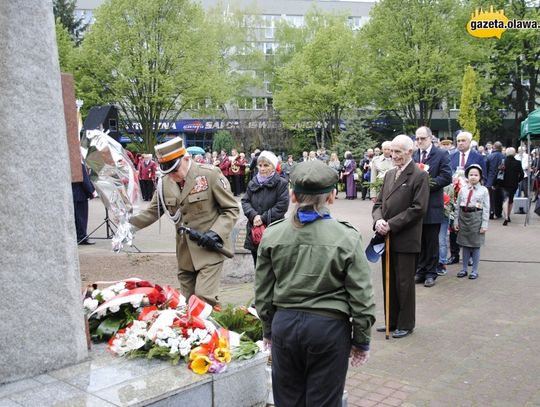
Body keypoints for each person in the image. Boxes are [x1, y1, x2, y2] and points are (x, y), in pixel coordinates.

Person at [255, 160, 375, 406]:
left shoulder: (273, 233)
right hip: (328, 329)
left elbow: (263, 291)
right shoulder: (347, 237)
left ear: (292, 195)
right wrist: (361, 340)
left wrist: (268, 329)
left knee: (287, 400)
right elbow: (361, 296)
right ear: (332, 197)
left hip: (285, 326)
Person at [129, 137, 239, 306]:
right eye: (169, 172)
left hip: (209, 249)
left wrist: (215, 234)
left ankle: (217, 332)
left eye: (175, 170)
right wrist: (129, 226)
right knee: (186, 302)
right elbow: (153, 211)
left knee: (203, 300)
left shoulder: (209, 175)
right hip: (185, 254)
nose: (173, 176)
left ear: (186, 158)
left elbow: (231, 209)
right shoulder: (164, 182)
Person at [372, 134, 429, 338]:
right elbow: (378, 204)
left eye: (398, 151)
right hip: (386, 237)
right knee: (389, 281)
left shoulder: (419, 176)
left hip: (405, 238)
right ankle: (391, 320)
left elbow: (418, 208)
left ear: (409, 152)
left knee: (404, 283)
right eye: (392, 151)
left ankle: (406, 323)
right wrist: (378, 220)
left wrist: (391, 225)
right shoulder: (389, 175)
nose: (393, 155)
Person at [413, 126, 452, 288]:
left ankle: (431, 273)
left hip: (433, 204)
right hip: (415, 205)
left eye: (423, 138)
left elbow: (446, 176)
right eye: (417, 138)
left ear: (431, 138)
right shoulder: (414, 155)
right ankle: (420, 270)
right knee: (419, 240)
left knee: (431, 241)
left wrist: (427, 185)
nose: (420, 141)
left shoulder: (441, 154)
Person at [241, 151, 289, 266]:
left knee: (273, 265)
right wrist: (253, 215)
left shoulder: (281, 183)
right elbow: (245, 201)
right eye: (260, 165)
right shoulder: (253, 182)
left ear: (273, 167)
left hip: (273, 230)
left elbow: (281, 206)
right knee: (257, 264)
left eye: (266, 165)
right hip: (255, 231)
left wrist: (262, 218)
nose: (262, 169)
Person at [448, 131, 486, 265]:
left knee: (469, 228)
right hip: (454, 196)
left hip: (471, 197)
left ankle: (469, 255)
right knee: (454, 225)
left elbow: (483, 176)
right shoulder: (451, 156)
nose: (460, 143)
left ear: (470, 142)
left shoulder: (478, 157)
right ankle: (454, 254)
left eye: (463, 140)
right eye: (458, 140)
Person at [454, 164, 490, 279]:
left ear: (480, 177)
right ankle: (464, 269)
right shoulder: (463, 190)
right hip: (464, 218)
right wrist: (456, 221)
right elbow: (457, 206)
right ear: (467, 176)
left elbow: (486, 208)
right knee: (465, 245)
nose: (473, 177)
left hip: (476, 218)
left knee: (475, 245)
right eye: (471, 175)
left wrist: (484, 224)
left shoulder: (484, 190)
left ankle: (474, 270)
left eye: (476, 175)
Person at [72, 162, 96, 245]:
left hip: (72, 194)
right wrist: (90, 192)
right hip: (80, 195)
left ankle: (77, 236)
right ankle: (82, 237)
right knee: (81, 218)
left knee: (75, 217)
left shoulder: (68, 163)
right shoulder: (79, 165)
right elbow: (85, 181)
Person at [500, 147, 525, 226]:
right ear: (514, 153)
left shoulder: (503, 162)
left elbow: (499, 173)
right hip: (513, 184)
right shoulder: (518, 163)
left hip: (504, 183)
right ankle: (509, 215)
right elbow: (522, 174)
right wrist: (518, 180)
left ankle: (506, 216)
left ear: (506, 153)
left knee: (505, 200)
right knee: (510, 200)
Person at [485, 141, 505, 219]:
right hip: (500, 181)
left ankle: (491, 212)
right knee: (499, 198)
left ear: (494, 147)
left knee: (490, 198)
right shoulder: (504, 157)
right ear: (501, 148)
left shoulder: (489, 156)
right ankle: (498, 213)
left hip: (490, 180)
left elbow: (486, 168)